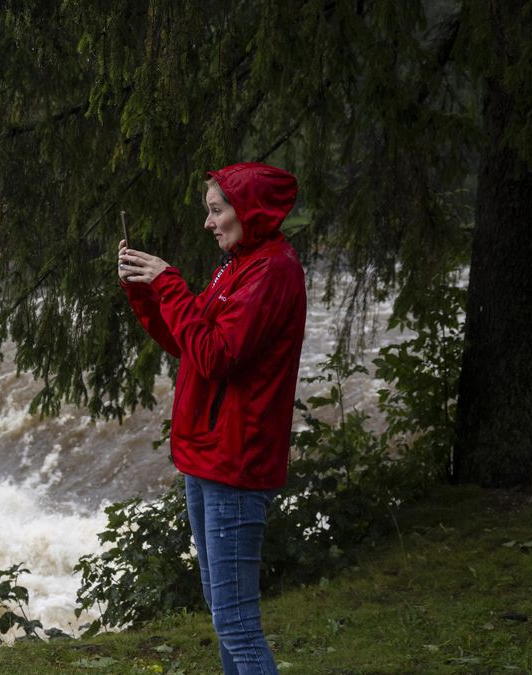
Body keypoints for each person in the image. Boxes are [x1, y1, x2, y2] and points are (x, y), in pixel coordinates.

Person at [117, 162, 305, 674]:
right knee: (225, 615)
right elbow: (190, 344)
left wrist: (170, 282)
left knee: (238, 624)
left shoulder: (272, 271)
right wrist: (145, 288)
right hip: (209, 456)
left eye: (216, 210)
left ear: (250, 212)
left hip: (235, 462)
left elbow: (220, 354)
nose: (209, 222)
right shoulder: (237, 265)